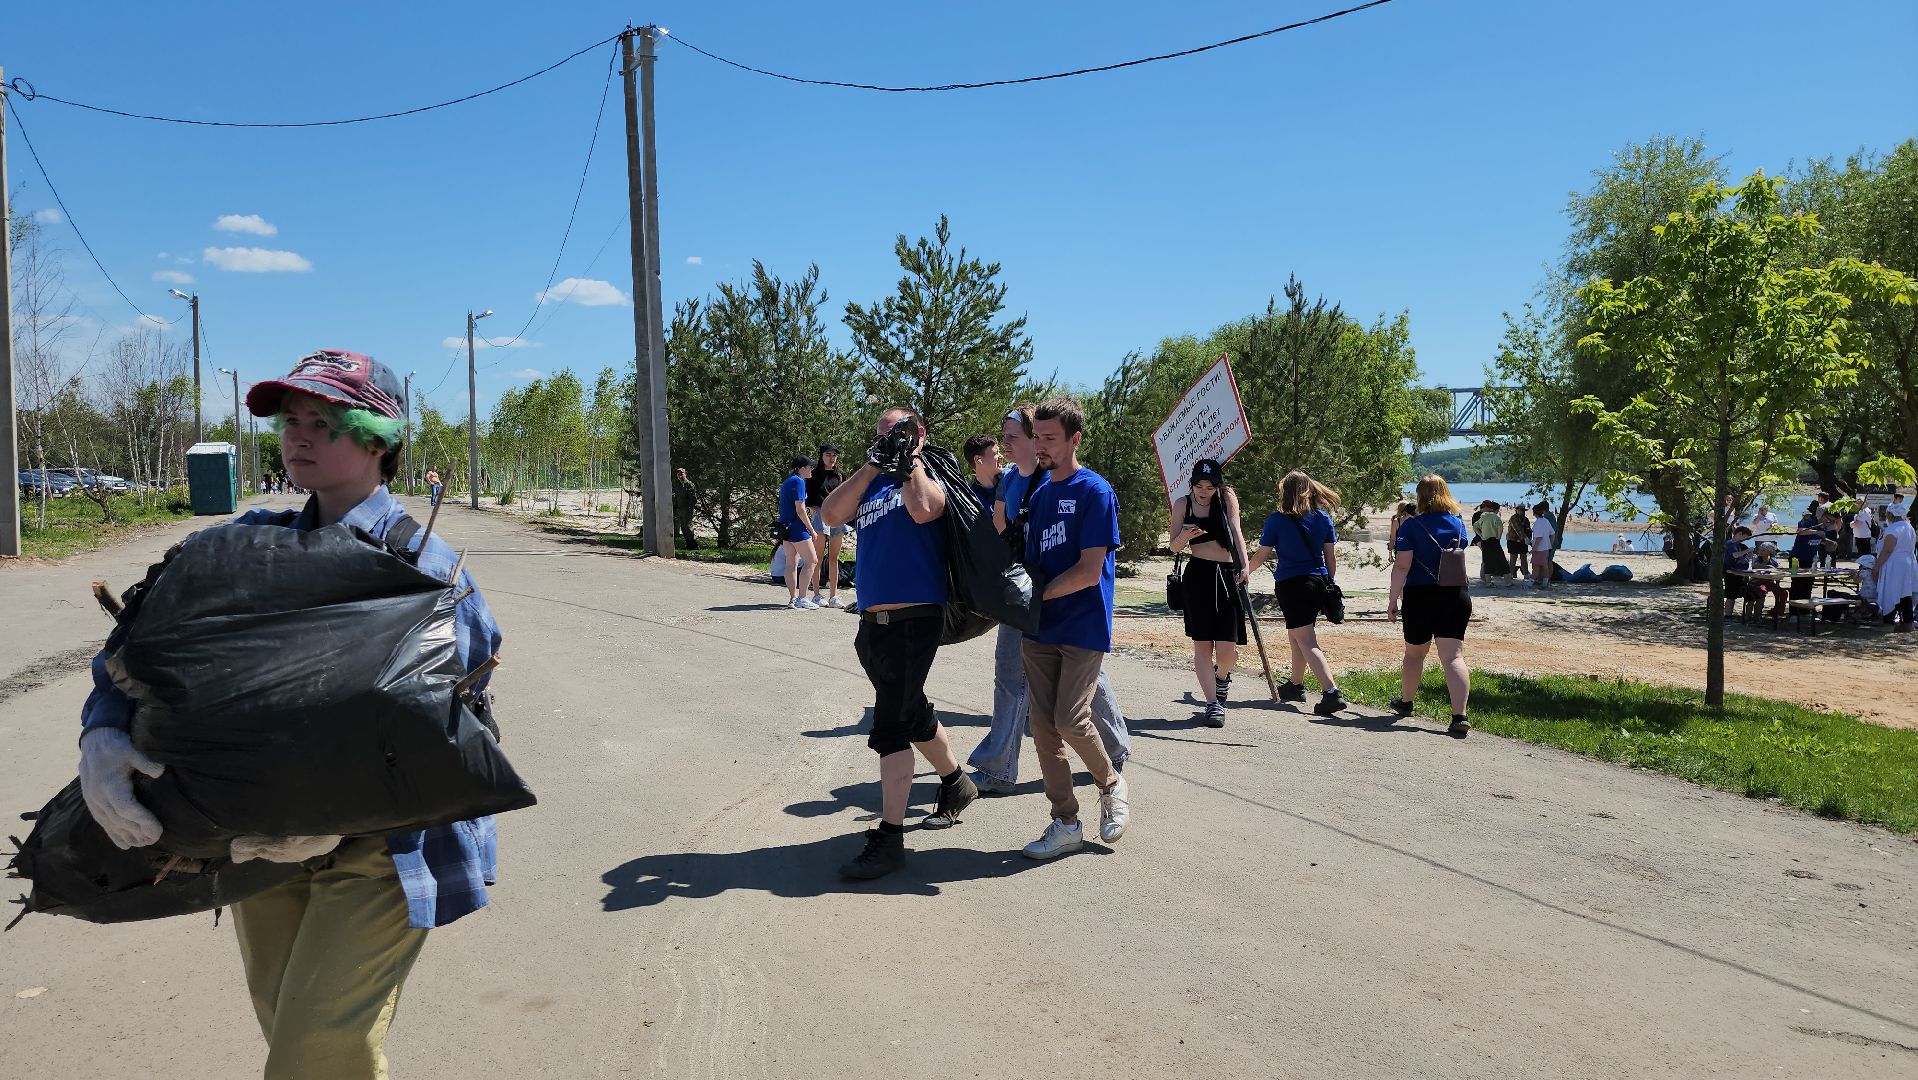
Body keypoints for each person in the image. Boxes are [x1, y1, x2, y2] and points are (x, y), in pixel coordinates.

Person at [75, 350, 502, 1078]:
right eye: (290, 421)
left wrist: (337, 808)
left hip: (381, 851)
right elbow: (142, 645)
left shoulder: (427, 569)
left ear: (376, 439)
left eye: (323, 423)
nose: (298, 436)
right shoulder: (245, 547)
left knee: (314, 1052)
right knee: (291, 1032)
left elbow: (448, 722)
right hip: (251, 843)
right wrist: (103, 731)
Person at [818, 407, 976, 878]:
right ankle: (956, 783)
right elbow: (830, 514)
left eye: (899, 432)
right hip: (872, 619)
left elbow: (926, 509)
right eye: (883, 433)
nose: (891, 439)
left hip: (914, 616)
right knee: (909, 708)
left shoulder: (932, 473)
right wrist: (872, 464)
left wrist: (911, 462)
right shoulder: (874, 481)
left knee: (891, 723)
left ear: (919, 434)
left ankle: (889, 839)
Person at [968, 405, 1131, 793]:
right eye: (1006, 436)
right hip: (1030, 604)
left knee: (1077, 700)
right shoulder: (1014, 483)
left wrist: (1036, 594)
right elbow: (1008, 536)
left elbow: (1089, 567)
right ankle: (1015, 777)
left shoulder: (1082, 486)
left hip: (1065, 609)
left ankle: (1112, 765)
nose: (1006, 443)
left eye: (1015, 436)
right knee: (1026, 696)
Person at [1019, 396, 1129, 860]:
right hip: (1038, 629)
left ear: (1074, 439)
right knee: (1042, 726)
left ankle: (1111, 783)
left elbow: (1088, 570)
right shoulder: (1040, 493)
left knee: (1070, 718)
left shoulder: (1095, 492)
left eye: (1049, 438)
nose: (1040, 446)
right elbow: (1032, 562)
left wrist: (1035, 596)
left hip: (1082, 625)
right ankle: (1064, 822)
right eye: (1036, 437)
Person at [1242, 469, 1347, 717]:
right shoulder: (1322, 518)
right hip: (1317, 582)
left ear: (1285, 493)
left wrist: (1245, 572)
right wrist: (1329, 581)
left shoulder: (1277, 520)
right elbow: (1330, 557)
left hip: (1293, 585)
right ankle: (1295, 685)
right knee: (1297, 634)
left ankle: (1332, 692)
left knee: (1307, 640)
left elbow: (1262, 554)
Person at [1387, 474, 1473, 737]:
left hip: (1421, 596)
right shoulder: (1458, 524)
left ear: (1420, 496)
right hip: (1455, 594)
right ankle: (1459, 716)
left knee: (1415, 653)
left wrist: (1392, 600)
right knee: (1453, 657)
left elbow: (1402, 566)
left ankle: (1406, 702)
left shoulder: (1411, 526)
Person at [1168, 459, 1249, 727]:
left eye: (1210, 486)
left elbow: (1236, 531)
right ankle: (1213, 704)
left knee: (1228, 649)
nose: (1204, 491)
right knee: (1202, 645)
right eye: (1199, 486)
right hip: (1198, 576)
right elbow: (1173, 547)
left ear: (1218, 486)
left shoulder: (1226, 498)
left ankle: (1222, 677)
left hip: (1227, 575)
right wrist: (1186, 536)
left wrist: (1245, 565)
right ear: (1191, 483)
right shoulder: (1183, 504)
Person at [804, 445, 847, 607]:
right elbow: (808, 499)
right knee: (818, 557)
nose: (831, 458)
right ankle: (816, 593)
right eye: (828, 454)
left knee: (834, 557)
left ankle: (834, 595)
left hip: (837, 516)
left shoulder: (840, 475)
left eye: (834, 455)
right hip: (819, 515)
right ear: (821, 456)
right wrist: (815, 510)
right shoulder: (813, 475)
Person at [778, 456, 820, 609]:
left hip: (786, 527)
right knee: (812, 560)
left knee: (791, 562)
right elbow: (800, 509)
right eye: (810, 467)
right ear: (802, 468)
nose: (811, 470)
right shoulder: (799, 481)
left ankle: (793, 598)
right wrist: (811, 529)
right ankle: (802, 597)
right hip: (797, 527)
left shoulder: (788, 481)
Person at [1877, 503, 1916, 631]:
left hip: (1895, 564)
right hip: (1907, 563)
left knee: (1892, 590)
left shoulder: (1893, 529)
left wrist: (1877, 566)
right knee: (1905, 592)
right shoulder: (1908, 527)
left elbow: (1888, 549)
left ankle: (1889, 619)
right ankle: (1907, 621)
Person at [963, 433, 1001, 511]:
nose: (1001, 457)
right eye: (995, 453)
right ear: (978, 460)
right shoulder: (971, 501)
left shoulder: (1011, 479)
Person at [1529, 500, 1556, 587]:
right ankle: (1545, 582)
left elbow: (1539, 537)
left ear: (1535, 513)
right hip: (1546, 548)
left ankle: (1531, 582)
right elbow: (1553, 533)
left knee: (1536, 566)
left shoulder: (1538, 523)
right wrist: (1550, 545)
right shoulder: (1545, 521)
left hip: (1539, 548)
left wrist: (1533, 549)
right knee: (1545, 566)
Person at [672, 467, 700, 550]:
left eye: (681, 473)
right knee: (683, 527)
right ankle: (688, 544)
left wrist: (689, 507)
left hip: (687, 509)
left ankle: (693, 545)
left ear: (685, 474)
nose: (680, 475)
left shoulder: (689, 484)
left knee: (687, 526)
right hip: (680, 508)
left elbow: (693, 498)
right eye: (678, 474)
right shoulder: (679, 485)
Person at [1506, 503, 1531, 580]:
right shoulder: (1513, 518)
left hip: (1523, 541)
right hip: (1513, 541)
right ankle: (1510, 575)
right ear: (1516, 510)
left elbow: (1528, 529)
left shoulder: (1526, 519)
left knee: (1524, 558)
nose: (1522, 512)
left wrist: (1529, 538)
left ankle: (1526, 574)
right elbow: (1518, 530)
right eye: (1520, 510)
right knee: (1513, 558)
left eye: (1523, 510)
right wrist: (1525, 538)